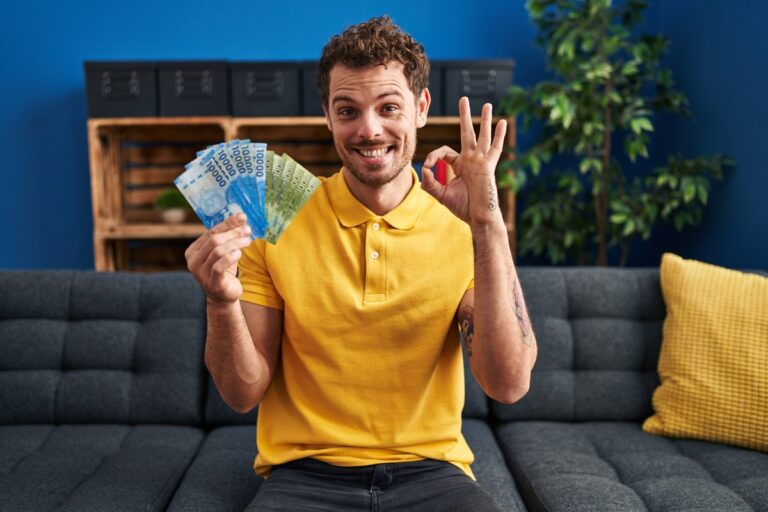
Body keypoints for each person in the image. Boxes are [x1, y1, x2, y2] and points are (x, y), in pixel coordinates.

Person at [185, 15, 537, 512]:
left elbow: (509, 383)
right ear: (327, 116)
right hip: (303, 476)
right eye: (347, 110)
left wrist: (487, 222)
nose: (368, 130)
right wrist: (220, 301)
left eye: (388, 107)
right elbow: (242, 395)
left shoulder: (464, 227)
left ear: (420, 108)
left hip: (432, 473)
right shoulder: (277, 222)